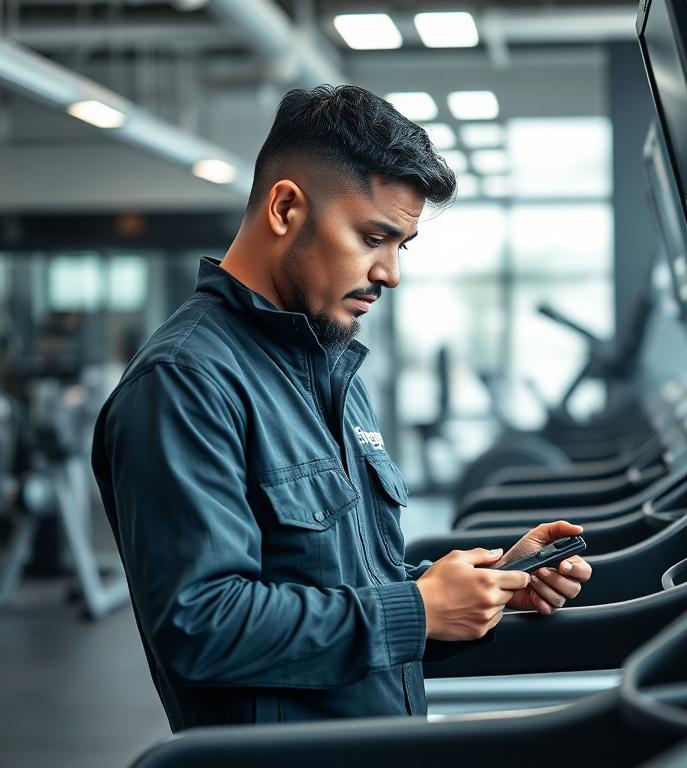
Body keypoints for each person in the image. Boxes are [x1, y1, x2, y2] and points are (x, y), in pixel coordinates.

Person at [91, 85, 592, 732]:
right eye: (373, 237)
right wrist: (417, 608)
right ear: (286, 208)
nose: (390, 274)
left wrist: (487, 589)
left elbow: (348, 588)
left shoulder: (331, 364)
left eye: (400, 246)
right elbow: (200, 624)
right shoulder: (185, 383)